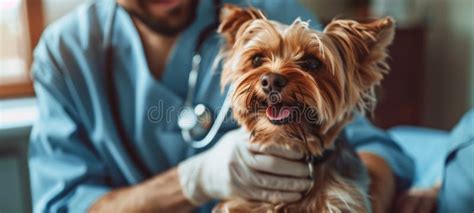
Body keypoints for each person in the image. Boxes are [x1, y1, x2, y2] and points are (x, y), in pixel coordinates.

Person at [29, 0, 414, 212]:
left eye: (308, 63)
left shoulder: (272, 13)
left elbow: (375, 149)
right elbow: (64, 205)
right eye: (258, 61)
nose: (274, 75)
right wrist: (192, 181)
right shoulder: (66, 52)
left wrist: (354, 198)